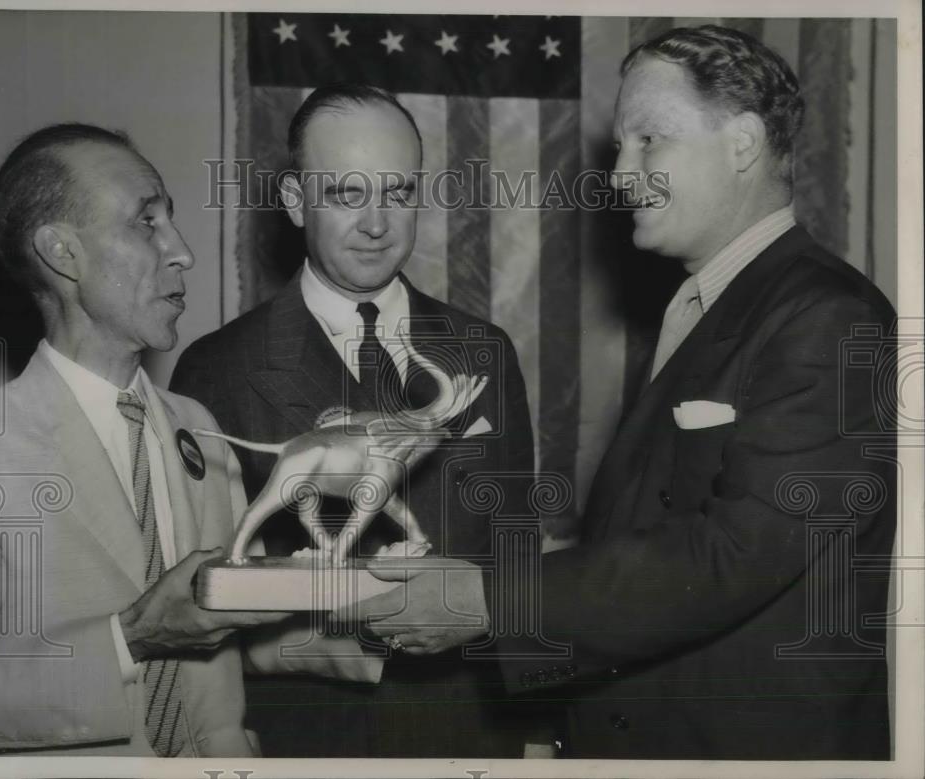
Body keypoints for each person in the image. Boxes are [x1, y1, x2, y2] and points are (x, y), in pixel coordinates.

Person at [340, 25, 897, 760]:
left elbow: (734, 553)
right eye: (619, 147)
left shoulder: (828, 315)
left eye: (650, 141)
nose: (621, 174)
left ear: (743, 143)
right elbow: (661, 531)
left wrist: (487, 599)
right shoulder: (709, 306)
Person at [170, 84, 537, 757]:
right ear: (293, 201)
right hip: (305, 736)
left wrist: (537, 732)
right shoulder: (215, 368)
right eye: (346, 194)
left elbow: (518, 558)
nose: (377, 223)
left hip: (469, 730)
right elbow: (201, 591)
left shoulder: (483, 351)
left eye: (397, 193)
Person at [0, 123, 292, 756]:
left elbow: (234, 640)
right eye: (145, 223)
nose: (182, 252)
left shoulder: (199, 429)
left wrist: (375, 616)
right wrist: (130, 639)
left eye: (170, 220)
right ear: (62, 253)